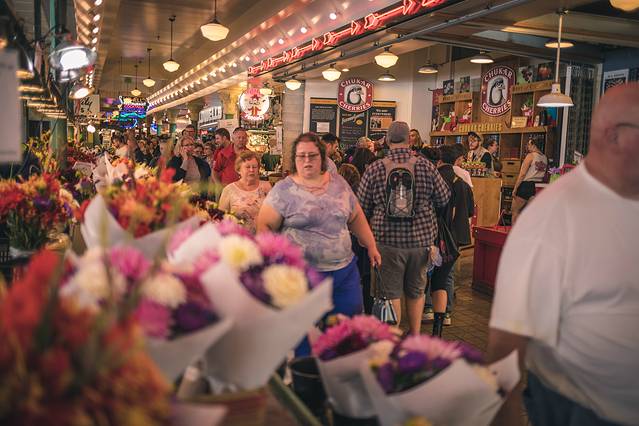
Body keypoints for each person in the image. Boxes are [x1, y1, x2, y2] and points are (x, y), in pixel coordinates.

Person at [487, 83, 639, 426]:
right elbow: (507, 338)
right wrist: (504, 415)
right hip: (582, 409)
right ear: (613, 135)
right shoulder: (553, 216)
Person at [257, 132, 381, 349]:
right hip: (301, 276)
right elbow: (264, 225)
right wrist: (270, 260)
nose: (307, 161)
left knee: (347, 333)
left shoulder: (339, 184)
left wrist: (370, 245)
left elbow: (355, 217)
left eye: (312, 155)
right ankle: (306, 367)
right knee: (304, 337)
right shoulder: (283, 190)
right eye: (301, 156)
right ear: (294, 159)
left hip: (343, 273)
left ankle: (338, 367)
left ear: (322, 158)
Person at [358, 121, 450, 335]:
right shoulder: (426, 166)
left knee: (390, 294)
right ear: (410, 139)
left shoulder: (375, 168)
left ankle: (393, 338)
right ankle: (415, 335)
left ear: (387, 140)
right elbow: (444, 197)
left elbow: (361, 205)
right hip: (421, 243)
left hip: (386, 243)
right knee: (416, 291)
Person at [427, 145, 474, 336]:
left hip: (433, 233)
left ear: (439, 160)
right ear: (457, 160)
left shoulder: (433, 179)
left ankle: (427, 308)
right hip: (454, 236)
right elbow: (470, 210)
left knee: (426, 272)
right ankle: (445, 313)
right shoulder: (461, 182)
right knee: (447, 275)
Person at [218, 151, 271, 233]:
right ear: (238, 170)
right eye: (247, 167)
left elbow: (275, 214)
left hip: (263, 236)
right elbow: (220, 218)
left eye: (254, 167)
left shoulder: (267, 187)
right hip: (238, 237)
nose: (251, 170)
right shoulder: (229, 190)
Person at [511, 138, 548, 223]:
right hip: (537, 187)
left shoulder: (531, 156)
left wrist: (515, 188)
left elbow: (522, 174)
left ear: (534, 145)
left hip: (526, 185)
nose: (527, 146)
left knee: (515, 211)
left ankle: (515, 231)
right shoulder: (545, 158)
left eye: (529, 144)